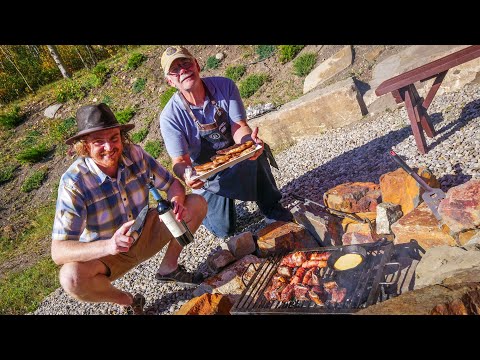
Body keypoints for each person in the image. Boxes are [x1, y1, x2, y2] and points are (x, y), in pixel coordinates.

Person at [51, 103, 207, 314]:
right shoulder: (74, 182)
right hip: (107, 253)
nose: (109, 147)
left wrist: (176, 202)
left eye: (114, 138)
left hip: (144, 232)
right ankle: (128, 301)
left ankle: (169, 268)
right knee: (70, 277)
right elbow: (58, 251)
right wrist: (109, 246)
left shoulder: (134, 154)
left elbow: (172, 185)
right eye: (99, 142)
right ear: (85, 146)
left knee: (196, 203)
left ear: (122, 137)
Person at [159, 45, 293, 238]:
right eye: (175, 69)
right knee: (224, 230)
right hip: (207, 172)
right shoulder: (170, 116)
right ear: (170, 81)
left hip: (236, 156)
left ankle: (271, 208)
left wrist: (249, 143)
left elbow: (238, 126)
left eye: (186, 63)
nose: (183, 70)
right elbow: (179, 161)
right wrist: (188, 175)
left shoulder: (224, 86)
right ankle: (219, 211)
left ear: (196, 65)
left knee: (257, 150)